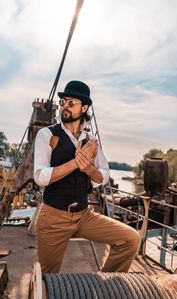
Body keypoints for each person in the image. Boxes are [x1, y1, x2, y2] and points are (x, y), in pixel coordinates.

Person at [34, 80, 140, 275]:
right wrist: (75, 163)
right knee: (46, 280)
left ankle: (103, 287)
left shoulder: (91, 142)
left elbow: (104, 175)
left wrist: (89, 169)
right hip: (53, 217)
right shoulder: (46, 134)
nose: (65, 105)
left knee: (130, 239)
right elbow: (40, 177)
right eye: (64, 101)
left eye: (71, 102)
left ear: (84, 107)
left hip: (83, 215)